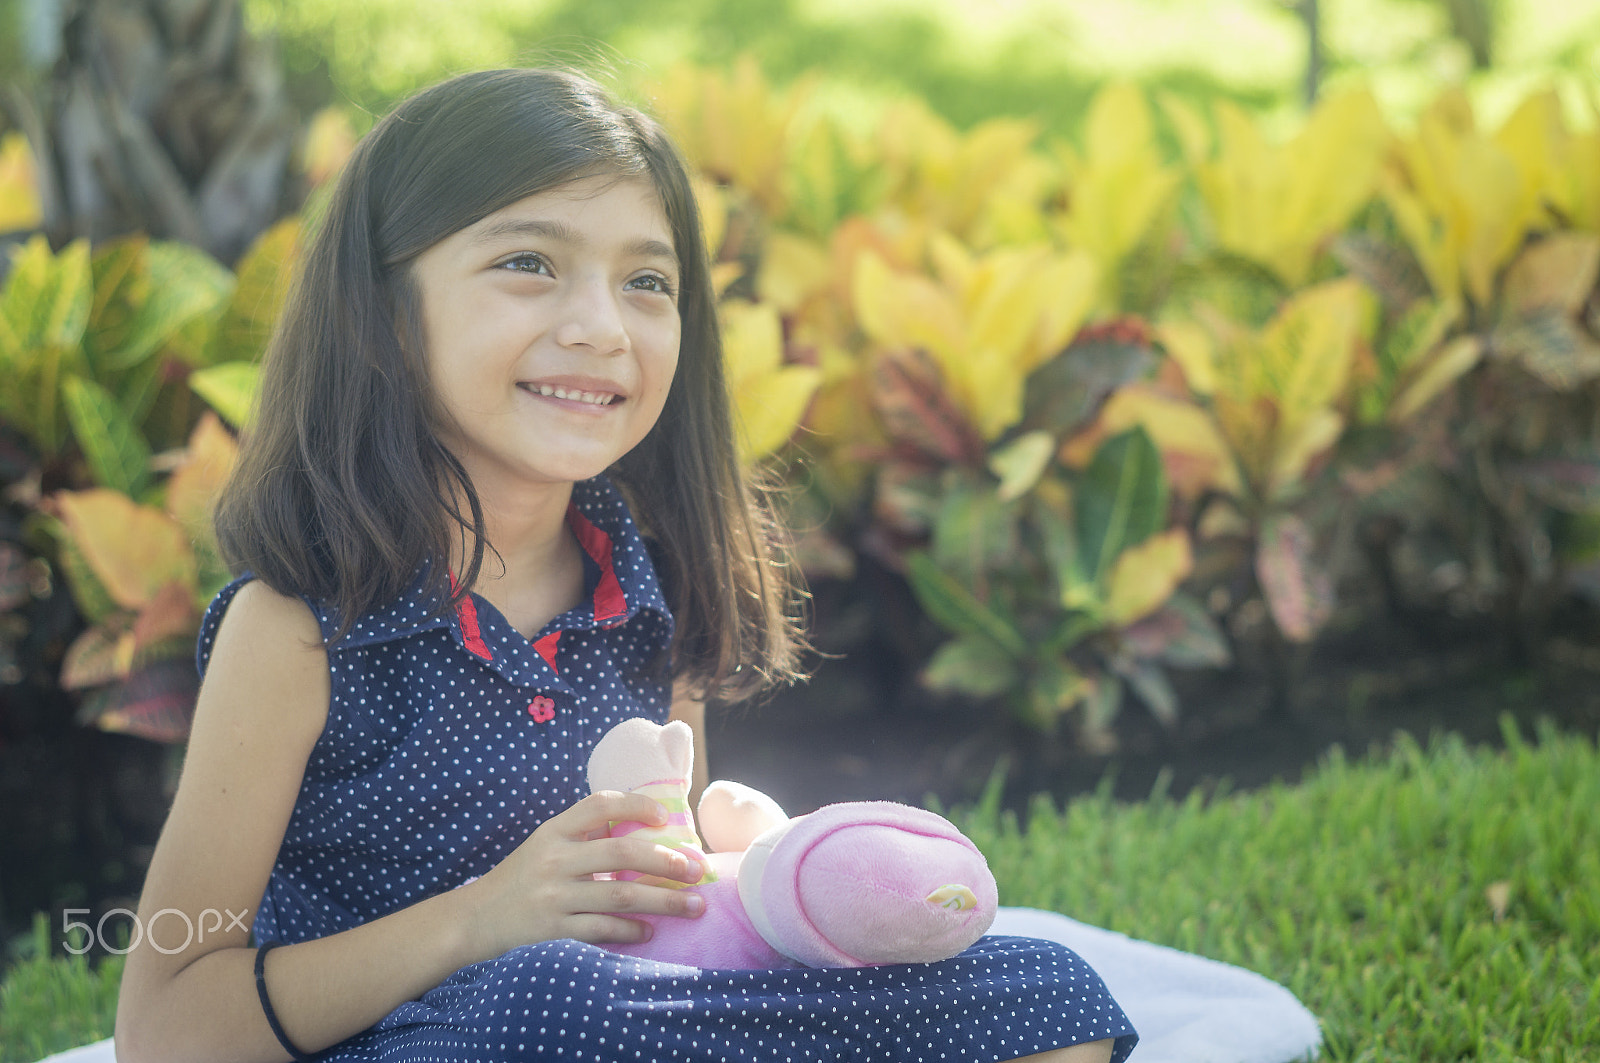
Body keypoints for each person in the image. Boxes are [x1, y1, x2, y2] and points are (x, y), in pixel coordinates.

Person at [113, 67, 1137, 1063]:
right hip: (440, 1036)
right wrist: (480, 920)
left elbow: (671, 916)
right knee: (549, 998)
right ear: (383, 315)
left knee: (1046, 989)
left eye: (647, 281)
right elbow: (167, 1023)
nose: (601, 327)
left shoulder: (650, 592)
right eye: (529, 263)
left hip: (628, 1019)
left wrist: (760, 877)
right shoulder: (296, 630)